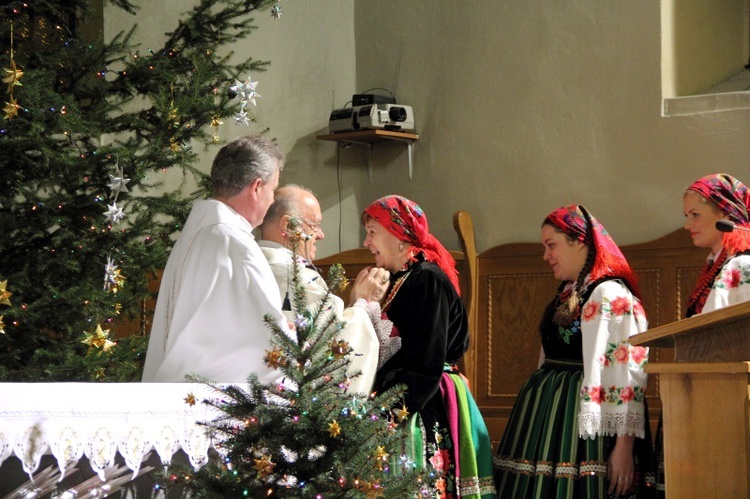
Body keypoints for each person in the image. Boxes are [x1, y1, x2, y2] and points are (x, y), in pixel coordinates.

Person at [493, 205, 655, 498]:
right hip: (551, 416)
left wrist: (623, 448)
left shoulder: (610, 294)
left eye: (551, 245)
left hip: (583, 426)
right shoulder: (570, 291)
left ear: (579, 241)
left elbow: (629, 374)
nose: (546, 255)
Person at [362, 195, 497, 499]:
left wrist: (392, 411)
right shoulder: (402, 279)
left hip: (423, 399)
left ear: (399, 236)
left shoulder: (426, 280)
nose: (367, 242)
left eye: (373, 232)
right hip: (408, 393)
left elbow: (425, 359)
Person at [141, 134, 290, 383]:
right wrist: (294, 339)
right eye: (272, 190)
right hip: (206, 402)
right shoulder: (233, 242)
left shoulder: (196, 235)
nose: (272, 200)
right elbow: (266, 339)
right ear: (256, 188)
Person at [653, 173, 750, 494]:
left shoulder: (740, 267)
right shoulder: (720, 264)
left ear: (727, 216)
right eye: (686, 216)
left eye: (695, 215)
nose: (687, 225)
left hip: (727, 397)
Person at [257, 184, 394, 394]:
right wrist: (363, 304)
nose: (320, 234)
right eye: (314, 225)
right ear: (288, 226)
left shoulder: (250, 265)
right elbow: (336, 348)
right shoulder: (297, 278)